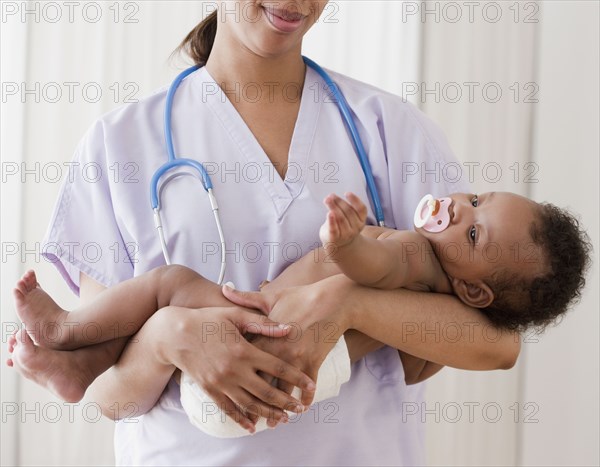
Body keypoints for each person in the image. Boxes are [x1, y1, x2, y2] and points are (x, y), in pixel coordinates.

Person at [12, 3, 528, 464]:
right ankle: (65, 338)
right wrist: (170, 337)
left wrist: (348, 307)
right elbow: (110, 397)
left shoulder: (388, 128)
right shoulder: (117, 143)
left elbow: (496, 341)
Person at [8, 190, 591, 438]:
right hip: (260, 393)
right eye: (480, 196)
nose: (459, 204)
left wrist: (344, 244)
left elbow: (371, 270)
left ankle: (67, 332)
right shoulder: (441, 297)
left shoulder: (416, 257)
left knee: (170, 284)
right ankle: (79, 365)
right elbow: (423, 363)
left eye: (473, 228)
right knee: (162, 316)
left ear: (477, 292)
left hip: (261, 344)